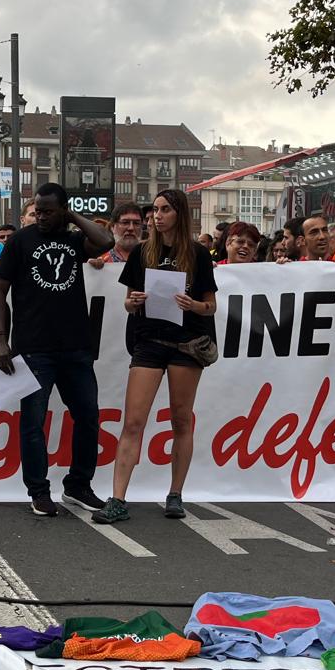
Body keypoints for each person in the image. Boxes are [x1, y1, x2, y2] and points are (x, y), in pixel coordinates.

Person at [93, 188, 217, 524]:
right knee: (133, 421)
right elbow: (129, 299)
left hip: (187, 342)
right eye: (155, 211)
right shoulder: (142, 253)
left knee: (180, 418)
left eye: (164, 210)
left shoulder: (197, 254)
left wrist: (195, 306)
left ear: (179, 213)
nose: (156, 216)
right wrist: (131, 303)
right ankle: (117, 498)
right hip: (149, 340)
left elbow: (211, 305)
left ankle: (175, 494)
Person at [0, 182, 113, 517]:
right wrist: (1, 337)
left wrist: (71, 215)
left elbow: (106, 241)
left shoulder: (74, 240)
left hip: (76, 347)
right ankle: (39, 491)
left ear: (63, 210)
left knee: (88, 416)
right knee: (33, 422)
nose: (40, 216)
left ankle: (78, 486)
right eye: (37, 210)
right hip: (33, 349)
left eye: (47, 210)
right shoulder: (20, 241)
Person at [89, 202, 143, 270]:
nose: (131, 228)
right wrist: (91, 269)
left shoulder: (152, 259)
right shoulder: (100, 259)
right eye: (125, 222)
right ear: (112, 227)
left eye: (136, 223)